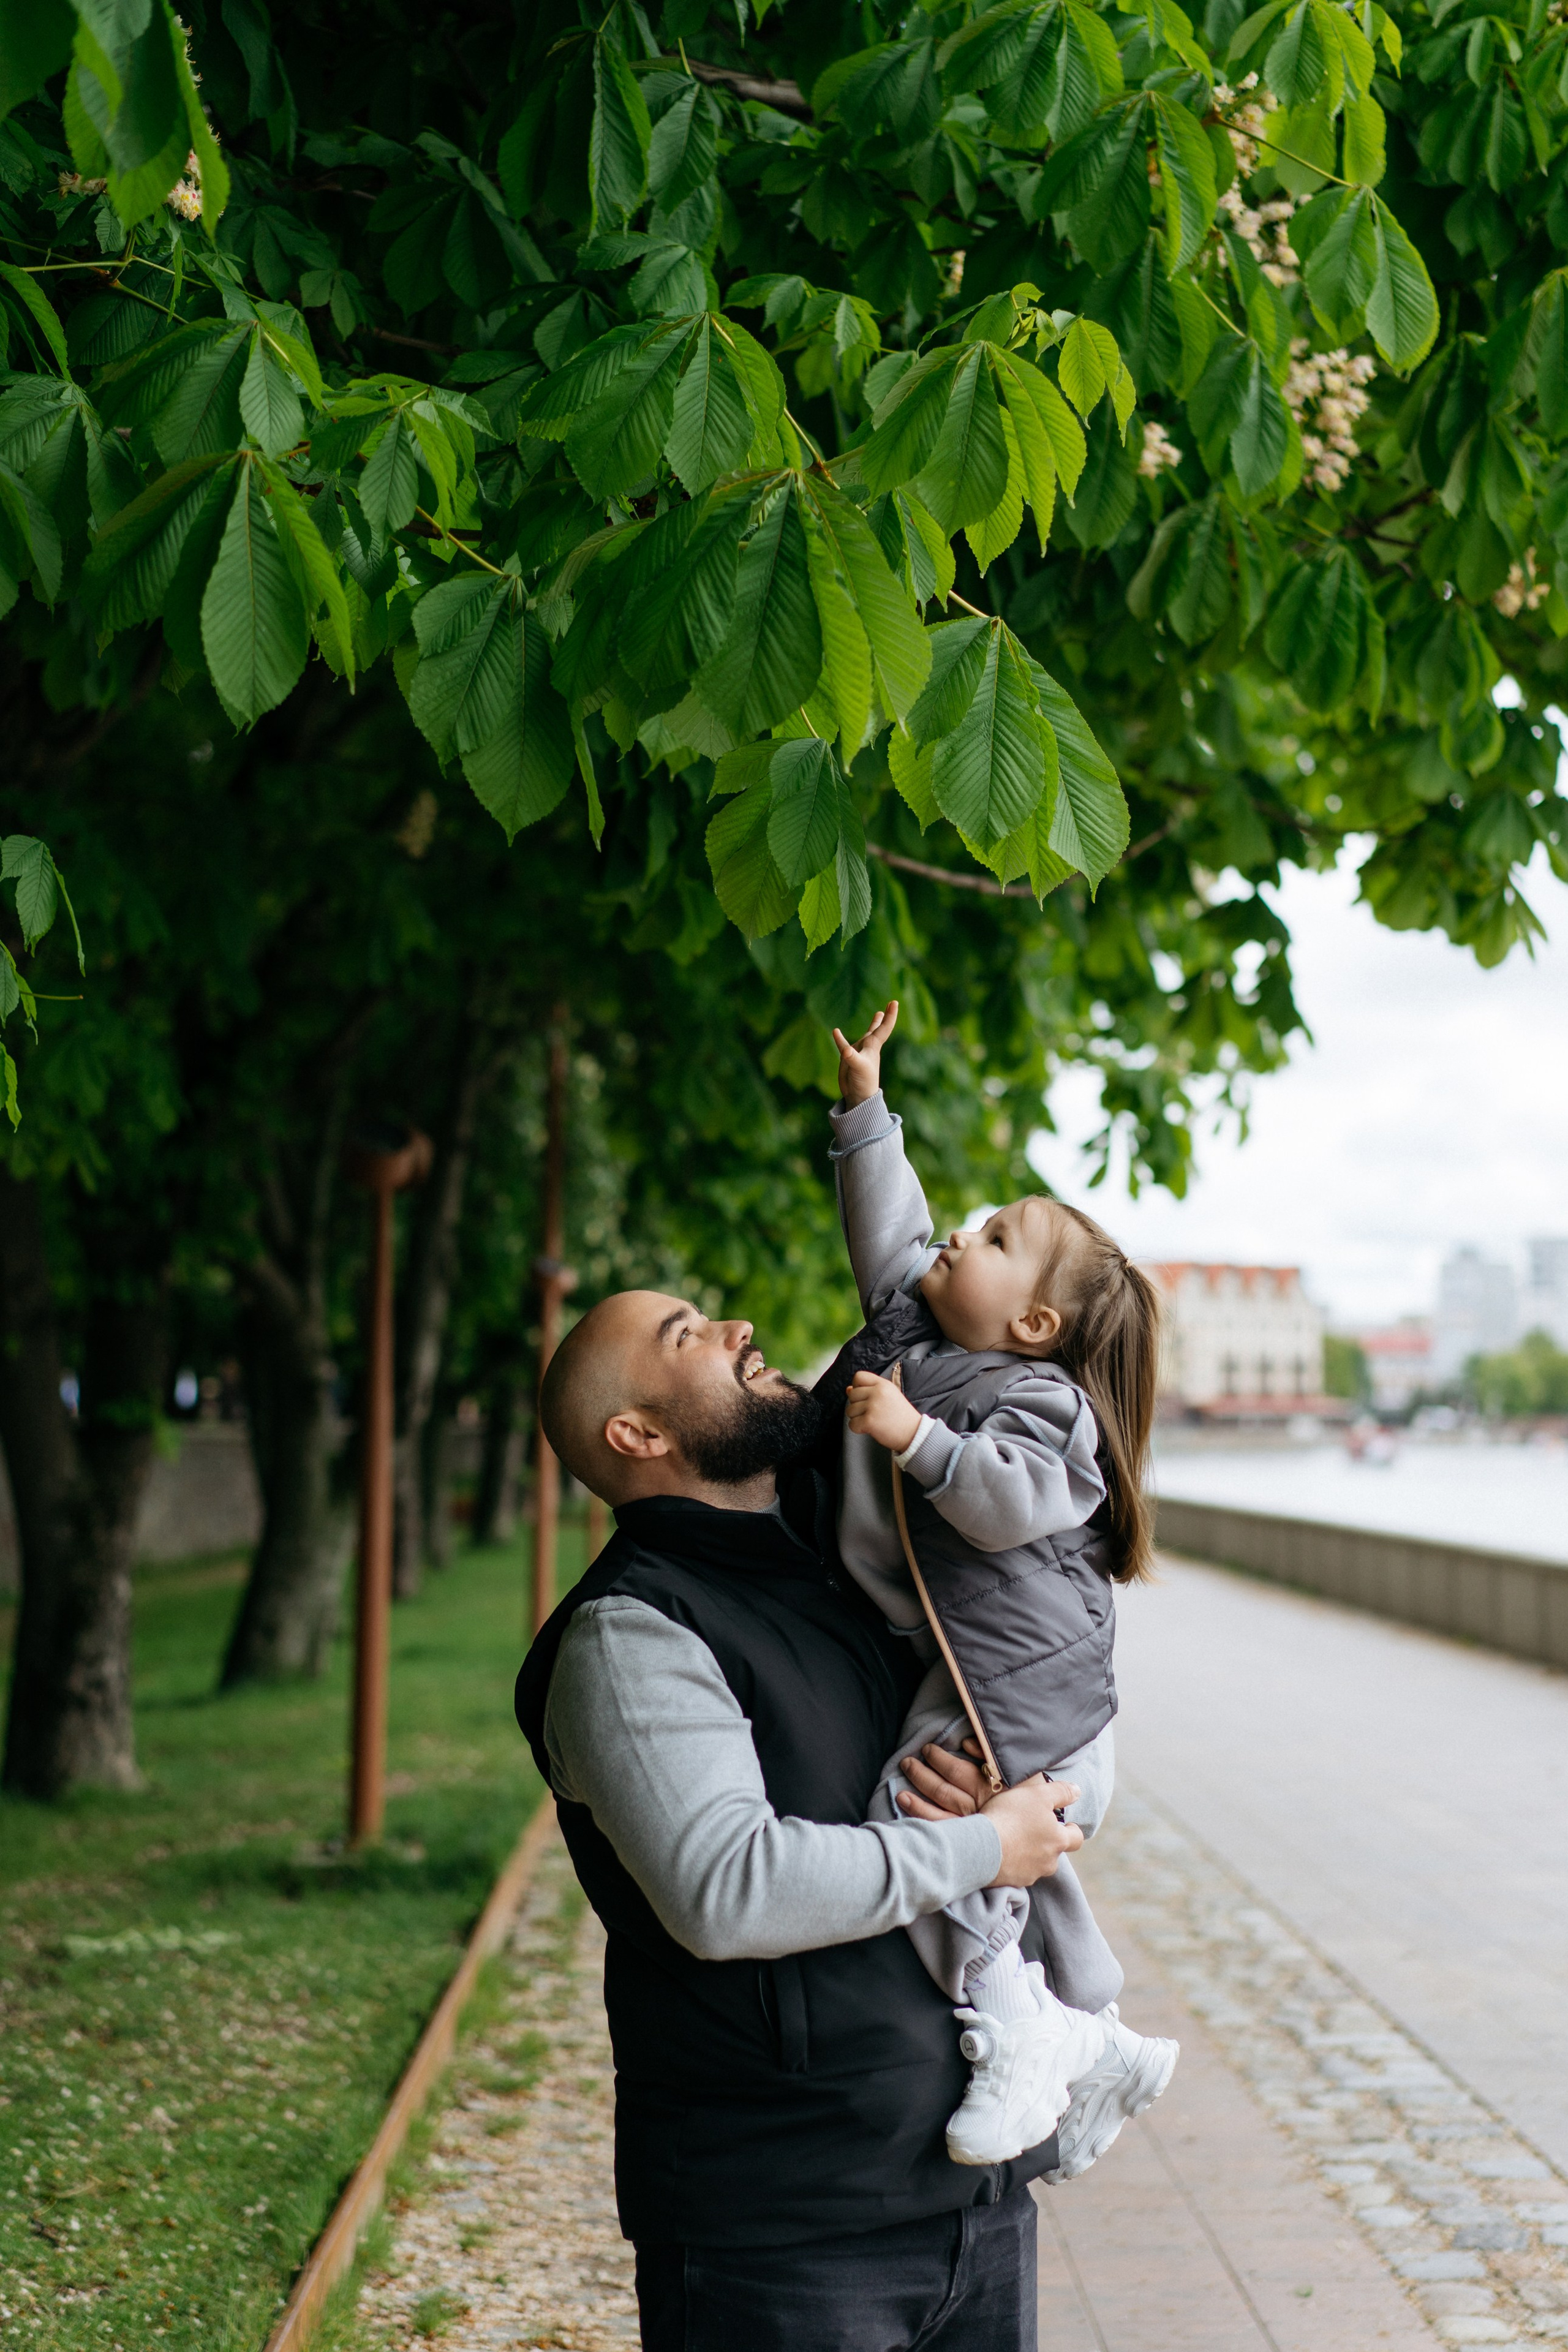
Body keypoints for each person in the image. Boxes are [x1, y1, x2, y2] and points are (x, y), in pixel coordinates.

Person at [515, 1287, 1085, 2351]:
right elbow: (727, 1892)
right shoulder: (629, 1631)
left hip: (968, 2195)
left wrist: (1014, 1801)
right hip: (781, 2232)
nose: (737, 1330)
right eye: (688, 1336)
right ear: (637, 1434)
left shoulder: (845, 1573)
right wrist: (980, 1844)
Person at [823, 1001, 1178, 2174]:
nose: (957, 1239)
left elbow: (1007, 1501)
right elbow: (894, 1234)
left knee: (919, 1820)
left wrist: (916, 1439)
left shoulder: (1042, 1406)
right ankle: (1100, 2034)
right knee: (1022, 1870)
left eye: (991, 1237)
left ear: (1031, 1321)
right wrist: (867, 1112)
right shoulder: (916, 1329)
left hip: (1040, 1704)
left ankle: (1013, 2033)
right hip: (1003, 1684)